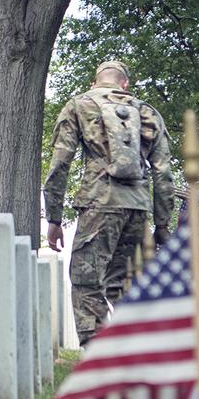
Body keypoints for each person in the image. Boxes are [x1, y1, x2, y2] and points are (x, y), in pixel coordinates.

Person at [44, 60, 174, 346]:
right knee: (126, 284)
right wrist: (163, 225)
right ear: (125, 84)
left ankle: (99, 353)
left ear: (95, 82)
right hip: (138, 209)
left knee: (86, 282)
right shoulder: (148, 112)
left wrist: (53, 218)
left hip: (98, 204)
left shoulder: (80, 104)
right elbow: (163, 173)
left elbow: (60, 164)